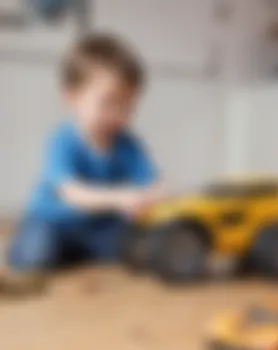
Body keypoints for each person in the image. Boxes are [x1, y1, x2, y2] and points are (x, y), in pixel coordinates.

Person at [5, 33, 163, 293]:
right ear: (72, 97)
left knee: (131, 247)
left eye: (126, 106)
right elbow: (72, 193)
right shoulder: (62, 141)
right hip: (52, 222)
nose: (117, 115)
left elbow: (152, 182)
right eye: (107, 103)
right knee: (36, 254)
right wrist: (121, 198)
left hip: (98, 227)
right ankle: (21, 247)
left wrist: (149, 199)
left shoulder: (127, 144)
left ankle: (76, 255)